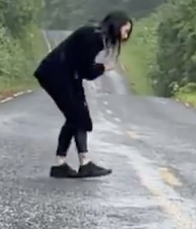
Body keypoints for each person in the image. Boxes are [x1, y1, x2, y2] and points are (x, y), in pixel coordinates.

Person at [34, 11, 133, 179]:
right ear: (117, 25)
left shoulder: (94, 34)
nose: (125, 36)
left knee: (77, 117)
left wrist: (97, 68)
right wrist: (103, 67)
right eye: (125, 30)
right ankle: (78, 164)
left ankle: (68, 163)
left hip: (62, 74)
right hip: (57, 74)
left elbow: (80, 67)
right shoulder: (94, 38)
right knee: (77, 116)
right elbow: (85, 70)